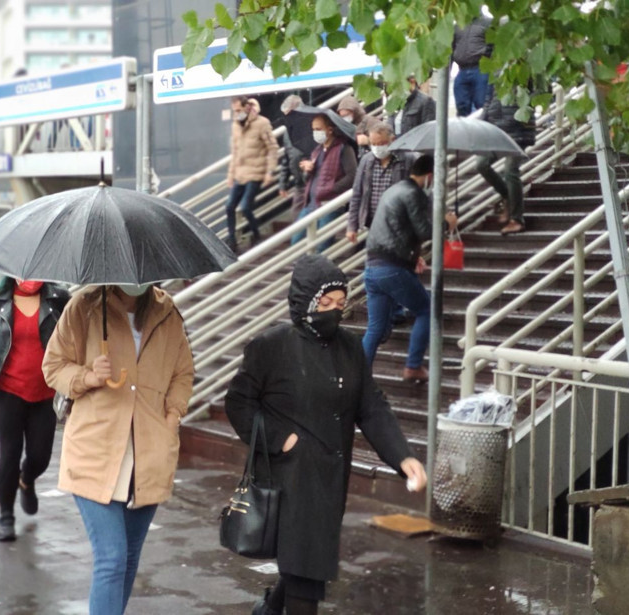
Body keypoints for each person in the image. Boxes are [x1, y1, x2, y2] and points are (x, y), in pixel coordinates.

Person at [225, 254, 427, 615]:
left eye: (340, 303)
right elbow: (239, 403)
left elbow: (371, 407)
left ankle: (269, 608)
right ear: (304, 302)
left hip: (331, 479)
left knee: (307, 564)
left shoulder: (350, 348)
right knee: (306, 572)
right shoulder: (271, 346)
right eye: (325, 303)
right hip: (289, 478)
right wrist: (280, 439)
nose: (334, 311)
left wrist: (403, 456)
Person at [42, 283, 194, 615]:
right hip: (95, 449)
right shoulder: (85, 306)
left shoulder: (168, 314)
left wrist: (172, 415)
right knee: (112, 557)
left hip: (149, 451)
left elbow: (183, 373)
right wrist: (88, 376)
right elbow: (53, 367)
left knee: (127, 558)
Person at [0, 277, 70, 542]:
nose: (30, 279)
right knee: (9, 454)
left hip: (45, 390)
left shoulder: (59, 298)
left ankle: (27, 480)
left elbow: (79, 331)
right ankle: (5, 517)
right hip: (7, 389)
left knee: (40, 456)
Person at [362, 155, 457, 381]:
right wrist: (447, 223)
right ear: (430, 176)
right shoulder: (413, 193)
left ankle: (359, 375)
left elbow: (399, 229)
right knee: (427, 309)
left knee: (375, 328)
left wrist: (413, 257)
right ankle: (413, 366)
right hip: (391, 268)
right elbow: (424, 230)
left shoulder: (395, 190)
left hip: (372, 266)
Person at [291, 113, 357, 250]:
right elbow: (308, 179)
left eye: (318, 129)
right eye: (314, 129)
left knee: (323, 246)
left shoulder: (344, 149)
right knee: (295, 242)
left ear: (330, 129)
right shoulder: (317, 150)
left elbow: (352, 176)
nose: (315, 133)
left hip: (329, 205)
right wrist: (307, 170)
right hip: (310, 203)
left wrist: (331, 189)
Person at [476, 83, 535, 235]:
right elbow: (489, 98)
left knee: (510, 171)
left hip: (518, 129)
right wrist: (483, 120)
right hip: (496, 129)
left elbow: (538, 94)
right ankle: (508, 196)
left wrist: (523, 116)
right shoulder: (495, 67)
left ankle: (516, 219)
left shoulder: (524, 65)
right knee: (481, 164)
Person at [226, 95, 278, 252]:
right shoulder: (235, 125)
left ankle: (256, 234)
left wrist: (270, 171)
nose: (237, 113)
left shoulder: (262, 123)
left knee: (246, 207)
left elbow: (272, 148)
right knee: (229, 207)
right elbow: (234, 152)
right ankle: (232, 240)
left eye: (239, 110)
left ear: (247, 107)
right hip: (240, 173)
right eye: (234, 110)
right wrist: (230, 174)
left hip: (256, 172)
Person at [346, 122, 411, 242]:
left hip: (398, 224)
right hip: (373, 222)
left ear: (392, 140)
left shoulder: (406, 160)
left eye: (381, 143)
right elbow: (357, 193)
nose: (377, 148)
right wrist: (352, 226)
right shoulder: (366, 160)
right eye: (373, 144)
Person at [279, 94, 311, 221]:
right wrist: (283, 183)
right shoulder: (288, 132)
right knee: (297, 219)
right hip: (299, 183)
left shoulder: (313, 126)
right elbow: (287, 158)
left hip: (313, 181)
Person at [452, 16, 492, 117]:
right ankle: (463, 131)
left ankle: (481, 131)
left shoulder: (487, 22)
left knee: (481, 106)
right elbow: (451, 48)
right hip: (462, 70)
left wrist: (486, 56)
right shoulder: (458, 24)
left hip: (481, 69)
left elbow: (493, 45)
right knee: (461, 106)